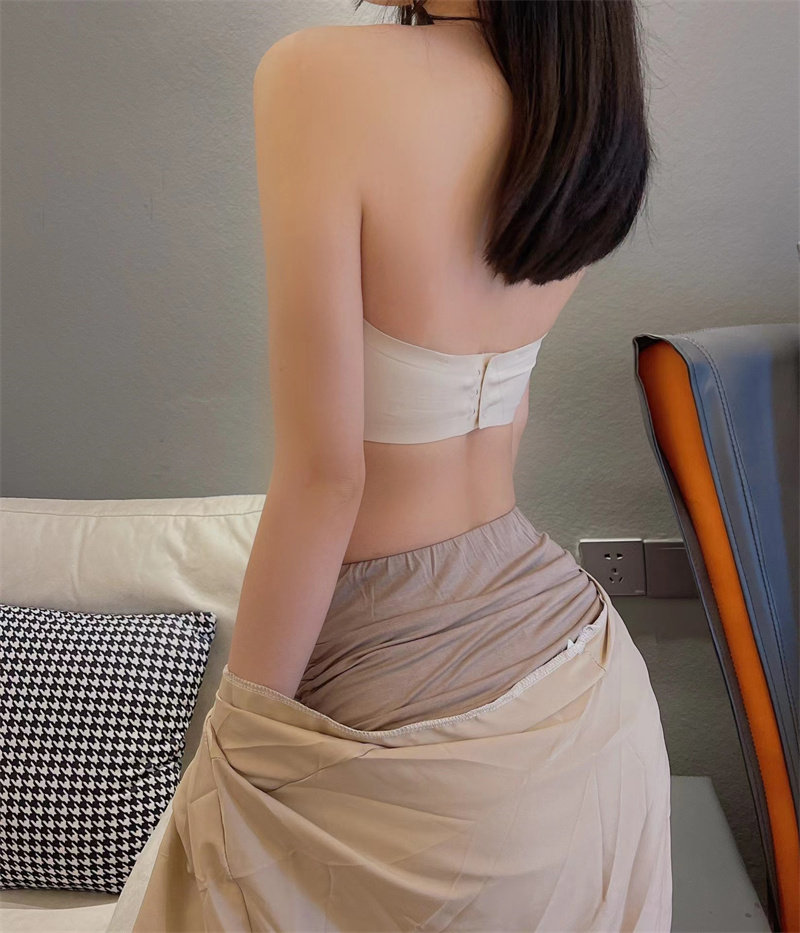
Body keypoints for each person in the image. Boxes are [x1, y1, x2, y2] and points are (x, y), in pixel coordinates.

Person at [120, 1, 673, 929]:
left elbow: (327, 477)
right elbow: (506, 410)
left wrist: (240, 740)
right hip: (587, 691)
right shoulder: (579, 112)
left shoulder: (318, 75)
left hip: (400, 682)